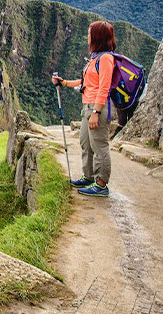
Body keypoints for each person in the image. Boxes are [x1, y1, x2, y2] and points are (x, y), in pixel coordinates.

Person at [52, 21, 116, 197]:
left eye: (90, 34)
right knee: (86, 143)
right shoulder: (95, 58)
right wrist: (64, 83)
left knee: (99, 145)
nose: (87, 37)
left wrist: (96, 112)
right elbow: (84, 83)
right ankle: (88, 177)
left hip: (98, 108)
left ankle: (101, 184)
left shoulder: (106, 59)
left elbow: (104, 87)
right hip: (87, 107)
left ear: (97, 37)